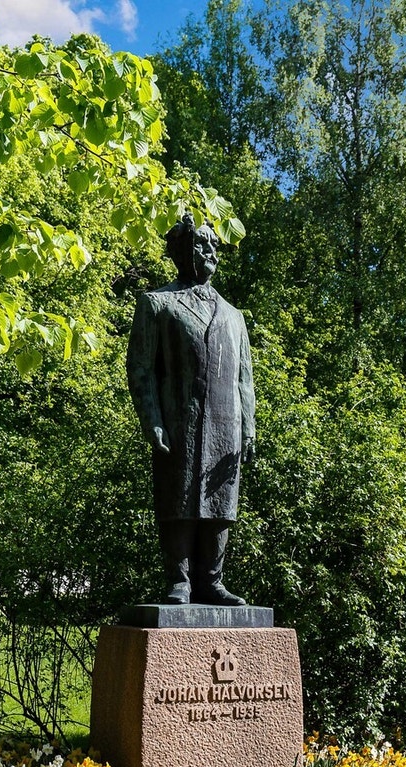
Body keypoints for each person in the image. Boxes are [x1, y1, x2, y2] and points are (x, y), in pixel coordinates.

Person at [126, 213, 256, 605]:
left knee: (220, 501)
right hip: (178, 419)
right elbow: (141, 367)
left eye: (214, 245)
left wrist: (248, 427)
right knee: (178, 497)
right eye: (202, 244)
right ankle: (180, 580)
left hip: (225, 422)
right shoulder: (157, 303)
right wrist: (153, 420)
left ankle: (212, 580)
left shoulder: (234, 315)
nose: (211, 251)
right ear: (182, 251)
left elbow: (244, 377)